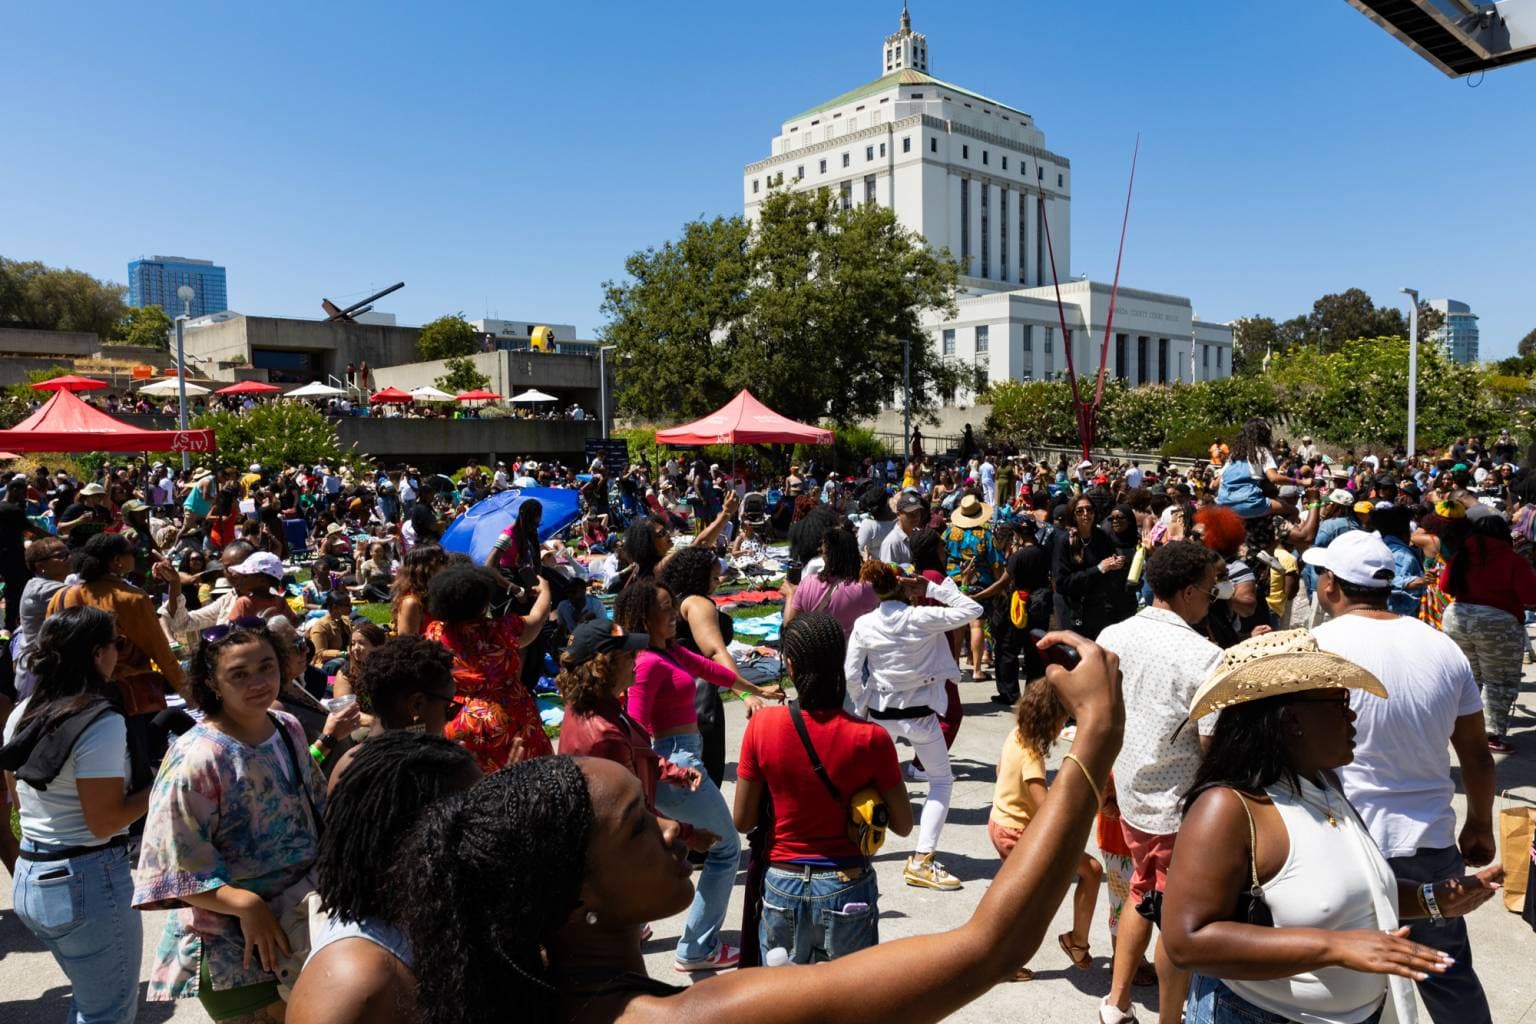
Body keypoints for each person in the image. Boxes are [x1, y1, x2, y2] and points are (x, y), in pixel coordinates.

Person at [396, 627, 1124, 1024]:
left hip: (782, 887)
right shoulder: (698, 1015)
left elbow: (744, 818)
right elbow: (989, 947)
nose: (673, 833)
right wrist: (1095, 733)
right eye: (639, 829)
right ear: (578, 893)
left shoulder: (526, 994)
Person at [1162, 630, 1503, 1024]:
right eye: (1340, 702)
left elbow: (1352, 894)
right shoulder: (1228, 808)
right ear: (1292, 720)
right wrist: (1333, 947)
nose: (1353, 714)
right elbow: (1187, 942)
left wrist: (1433, 899)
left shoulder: (1325, 783)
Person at [1307, 530, 1499, 1022]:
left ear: (1331, 584)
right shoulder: (1440, 647)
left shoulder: (1312, 646)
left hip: (1340, 842)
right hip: (1428, 843)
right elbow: (1476, 754)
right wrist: (1479, 823)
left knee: (1338, 982)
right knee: (1448, 974)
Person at [133, 619, 326, 1022]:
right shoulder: (198, 758)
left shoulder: (286, 726)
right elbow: (172, 871)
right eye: (238, 674)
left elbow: (317, 809)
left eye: (267, 666)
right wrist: (246, 904)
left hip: (301, 923)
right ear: (212, 683)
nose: (258, 681)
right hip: (234, 947)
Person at [615, 579, 784, 972]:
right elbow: (636, 731)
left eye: (673, 606)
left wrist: (751, 689)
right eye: (665, 609)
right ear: (644, 617)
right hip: (676, 764)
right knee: (726, 849)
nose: (674, 615)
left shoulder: (669, 651)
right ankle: (696, 949)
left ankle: (634, 926)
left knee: (660, 849)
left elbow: (713, 671)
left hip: (681, 760)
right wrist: (665, 774)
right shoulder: (647, 663)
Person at [732, 612, 913, 963]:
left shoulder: (762, 727)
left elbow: (742, 820)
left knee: (782, 1004)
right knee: (849, 1004)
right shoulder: (871, 739)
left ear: (790, 665)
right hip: (847, 885)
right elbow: (904, 826)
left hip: (782, 885)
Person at [1096, 540, 1224, 1024]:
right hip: (1179, 808)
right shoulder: (1205, 656)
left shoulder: (1113, 635)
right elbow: (1213, 746)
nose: (1212, 598)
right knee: (1176, 917)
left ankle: (1117, 1001)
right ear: (1189, 592)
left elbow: (1099, 717)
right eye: (1210, 591)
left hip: (1130, 794)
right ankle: (1171, 1017)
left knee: (1141, 892)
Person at [0, 607, 150, 1024]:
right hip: (86, 879)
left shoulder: (24, 710)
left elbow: (17, 793)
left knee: (90, 1004)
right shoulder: (100, 722)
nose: (118, 653)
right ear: (99, 653)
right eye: (116, 644)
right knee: (106, 1013)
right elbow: (104, 822)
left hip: (33, 875)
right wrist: (157, 789)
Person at [287, 733, 481, 1024]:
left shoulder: (429, 906)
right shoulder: (353, 985)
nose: (490, 822)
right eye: (473, 815)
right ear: (416, 838)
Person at [845, 561, 981, 892]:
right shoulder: (923, 617)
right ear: (905, 585)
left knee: (859, 782)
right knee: (940, 781)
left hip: (880, 713)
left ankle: (847, 849)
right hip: (921, 714)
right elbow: (973, 608)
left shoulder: (864, 624)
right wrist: (932, 588)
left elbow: (851, 673)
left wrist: (863, 702)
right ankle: (922, 860)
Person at [990, 678, 1104, 981]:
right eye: (1062, 719)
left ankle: (1008, 957)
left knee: (1018, 901)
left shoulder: (1016, 734)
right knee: (1090, 870)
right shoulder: (1032, 755)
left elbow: (1000, 769)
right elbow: (1046, 809)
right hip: (1018, 834)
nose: (1062, 726)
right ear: (1050, 719)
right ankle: (1073, 943)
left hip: (1000, 824)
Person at [424, 562, 554, 772]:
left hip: (461, 722)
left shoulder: (434, 633)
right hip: (511, 717)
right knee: (530, 779)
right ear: (483, 602)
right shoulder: (501, 629)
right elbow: (537, 618)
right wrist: (545, 591)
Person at [1438, 508, 1536, 752]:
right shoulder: (1513, 560)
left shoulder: (1461, 555)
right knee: (1498, 681)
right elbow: (1530, 595)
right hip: (1498, 622)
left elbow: (1445, 586)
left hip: (1457, 617)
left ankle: (1459, 726)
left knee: (1467, 677)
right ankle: (1488, 734)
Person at [659, 545, 757, 788]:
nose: (718, 581)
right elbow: (715, 652)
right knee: (704, 776)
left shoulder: (673, 600)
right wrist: (745, 692)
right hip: (699, 699)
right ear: (699, 575)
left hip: (672, 697)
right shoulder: (697, 603)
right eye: (714, 577)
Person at [943, 492, 1008, 681]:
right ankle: (977, 670)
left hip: (953, 581)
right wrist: (1000, 586)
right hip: (980, 583)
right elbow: (996, 564)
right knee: (977, 624)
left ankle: (954, 665)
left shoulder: (949, 532)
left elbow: (941, 553)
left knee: (957, 625)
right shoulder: (987, 535)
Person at [1055, 495, 1133, 639]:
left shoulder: (1101, 537)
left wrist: (1116, 565)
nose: (1085, 514)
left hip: (1097, 607)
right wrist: (1099, 569)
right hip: (1073, 608)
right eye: (1080, 511)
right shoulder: (1065, 541)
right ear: (1073, 515)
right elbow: (1063, 582)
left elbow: (1108, 568)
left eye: (1089, 510)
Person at [784, 526, 879, 636]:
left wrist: (791, 594)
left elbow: (789, 626)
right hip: (849, 651)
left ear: (826, 555)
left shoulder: (807, 583)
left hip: (814, 650)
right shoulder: (865, 589)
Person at [226, 550, 300, 625]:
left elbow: (231, 628)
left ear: (262, 581)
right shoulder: (280, 601)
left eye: (245, 576)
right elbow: (294, 622)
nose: (240, 579)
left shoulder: (244, 603)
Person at [391, 543, 449, 636]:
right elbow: (407, 645)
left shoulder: (438, 596)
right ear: (424, 568)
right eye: (442, 561)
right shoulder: (411, 603)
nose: (447, 566)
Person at [309, 591, 354, 674]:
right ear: (335, 607)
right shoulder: (320, 627)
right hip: (327, 666)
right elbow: (320, 654)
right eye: (347, 605)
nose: (351, 608)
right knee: (341, 662)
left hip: (347, 658)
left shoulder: (345, 621)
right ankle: (331, 682)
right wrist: (345, 654)